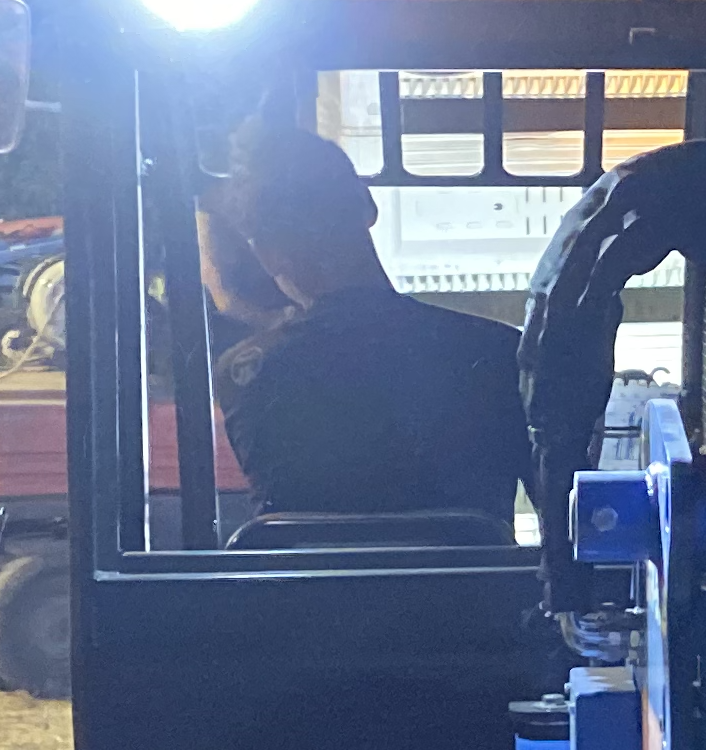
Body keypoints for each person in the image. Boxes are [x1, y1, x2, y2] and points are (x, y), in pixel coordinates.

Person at [196, 121, 529, 530]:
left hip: (309, 596)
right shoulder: (500, 353)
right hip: (473, 594)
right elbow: (564, 519)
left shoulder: (246, 373)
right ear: (367, 207)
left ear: (267, 254)